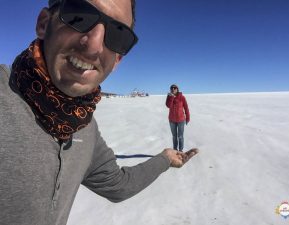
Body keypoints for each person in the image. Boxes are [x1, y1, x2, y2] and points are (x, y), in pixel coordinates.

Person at [0, 0, 199, 225]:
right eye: (79, 16)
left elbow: (117, 185)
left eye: (118, 34)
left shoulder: (83, 126)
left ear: (117, 60)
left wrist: (165, 159)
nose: (94, 46)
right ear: (44, 23)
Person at [166, 84, 190, 151]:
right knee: (174, 136)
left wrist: (187, 117)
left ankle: (181, 151)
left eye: (175, 88)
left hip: (181, 120)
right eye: (172, 88)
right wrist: (171, 97)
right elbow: (168, 106)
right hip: (172, 120)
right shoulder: (169, 97)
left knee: (180, 136)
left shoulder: (182, 97)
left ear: (177, 89)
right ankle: (175, 150)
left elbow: (186, 108)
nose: (173, 89)